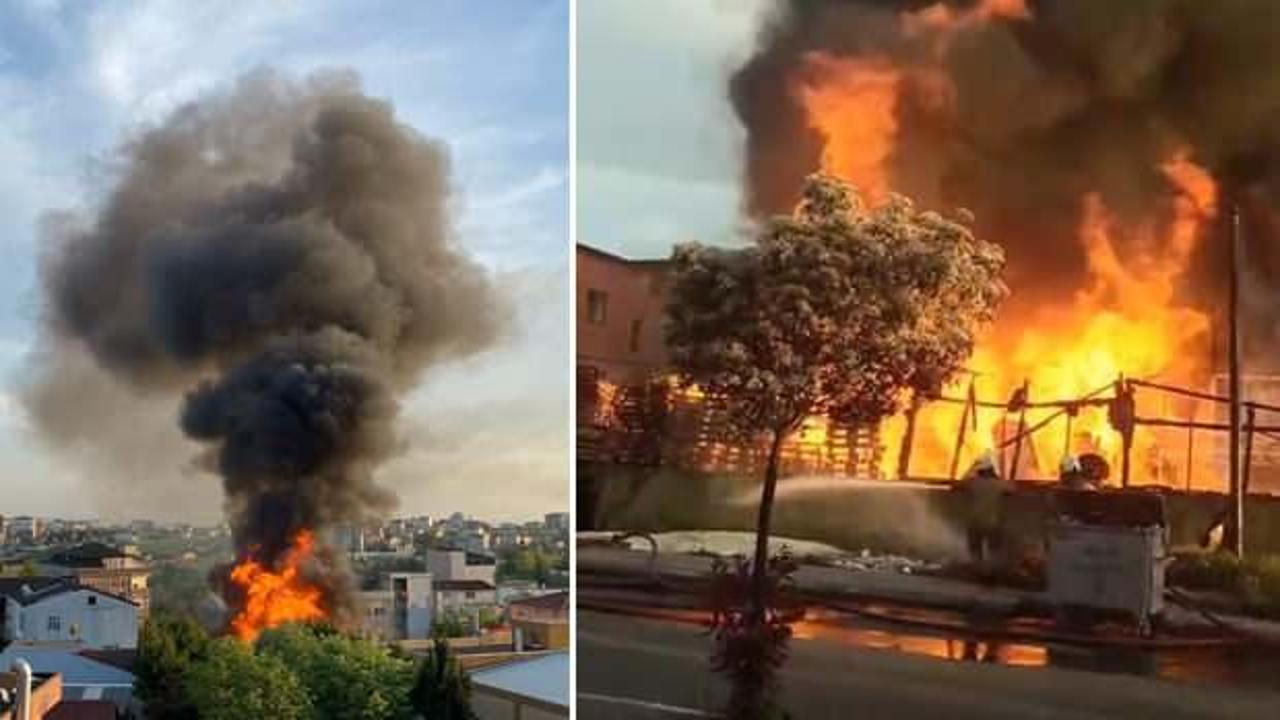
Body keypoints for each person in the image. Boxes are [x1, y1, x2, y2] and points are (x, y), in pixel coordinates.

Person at [958, 451, 1007, 574]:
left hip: (975, 522)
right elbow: (1013, 489)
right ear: (992, 470)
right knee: (993, 549)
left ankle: (977, 572)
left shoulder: (973, 483)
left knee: (975, 550)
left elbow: (959, 483)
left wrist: (972, 467)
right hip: (992, 522)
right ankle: (991, 573)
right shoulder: (998, 484)